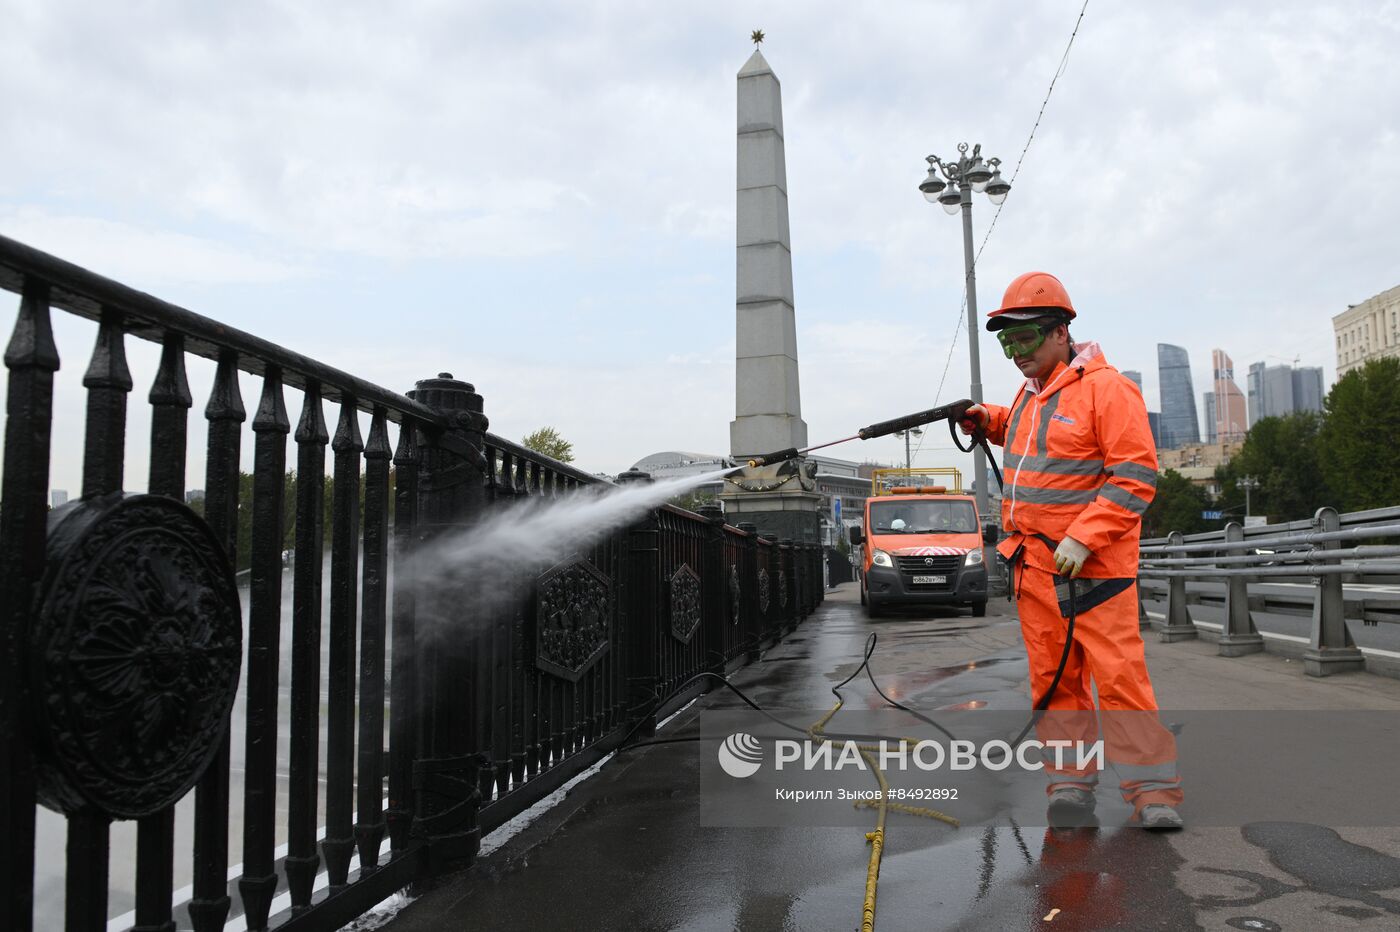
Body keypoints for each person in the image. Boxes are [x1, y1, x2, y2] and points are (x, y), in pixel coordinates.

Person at [958, 270, 1183, 830]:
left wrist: (1085, 537)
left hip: (1095, 570)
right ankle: (1070, 786)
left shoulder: (1109, 390)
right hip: (1035, 570)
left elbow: (1134, 476)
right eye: (1006, 341)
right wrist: (990, 421)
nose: (1015, 352)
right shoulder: (1033, 396)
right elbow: (1033, 437)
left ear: (1061, 332)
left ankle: (1152, 792)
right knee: (1056, 684)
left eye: (1025, 338)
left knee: (1119, 679)